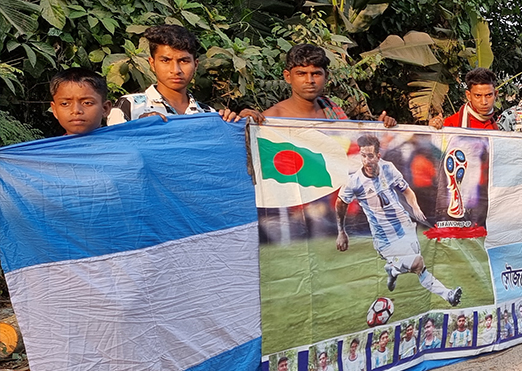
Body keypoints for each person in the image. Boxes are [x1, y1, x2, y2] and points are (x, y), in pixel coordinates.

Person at [336, 134, 463, 305]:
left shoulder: (388, 168)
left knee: (418, 266)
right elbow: (340, 203)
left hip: (404, 226)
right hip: (384, 237)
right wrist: (341, 231)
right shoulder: (355, 181)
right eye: (363, 156)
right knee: (418, 264)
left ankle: (393, 269)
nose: (366, 160)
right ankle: (448, 294)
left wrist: (415, 208)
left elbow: (407, 191)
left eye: (370, 156)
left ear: (378, 156)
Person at [108, 24, 262, 125]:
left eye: (183, 61)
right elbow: (115, 153)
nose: (175, 70)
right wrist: (137, 127)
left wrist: (241, 125)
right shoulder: (130, 107)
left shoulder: (210, 115)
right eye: (166, 60)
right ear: (152, 63)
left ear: (195, 65)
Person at [264, 43, 396, 125]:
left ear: (326, 76)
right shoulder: (272, 118)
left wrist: (380, 131)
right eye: (301, 74)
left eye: (316, 74)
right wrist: (244, 120)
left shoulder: (331, 110)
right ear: (288, 76)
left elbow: (353, 148)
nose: (309, 80)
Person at [50, 68, 112, 136]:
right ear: (54, 110)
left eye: (87, 103)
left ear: (105, 108)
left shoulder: (120, 144)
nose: (76, 110)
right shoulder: (51, 146)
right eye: (65, 104)